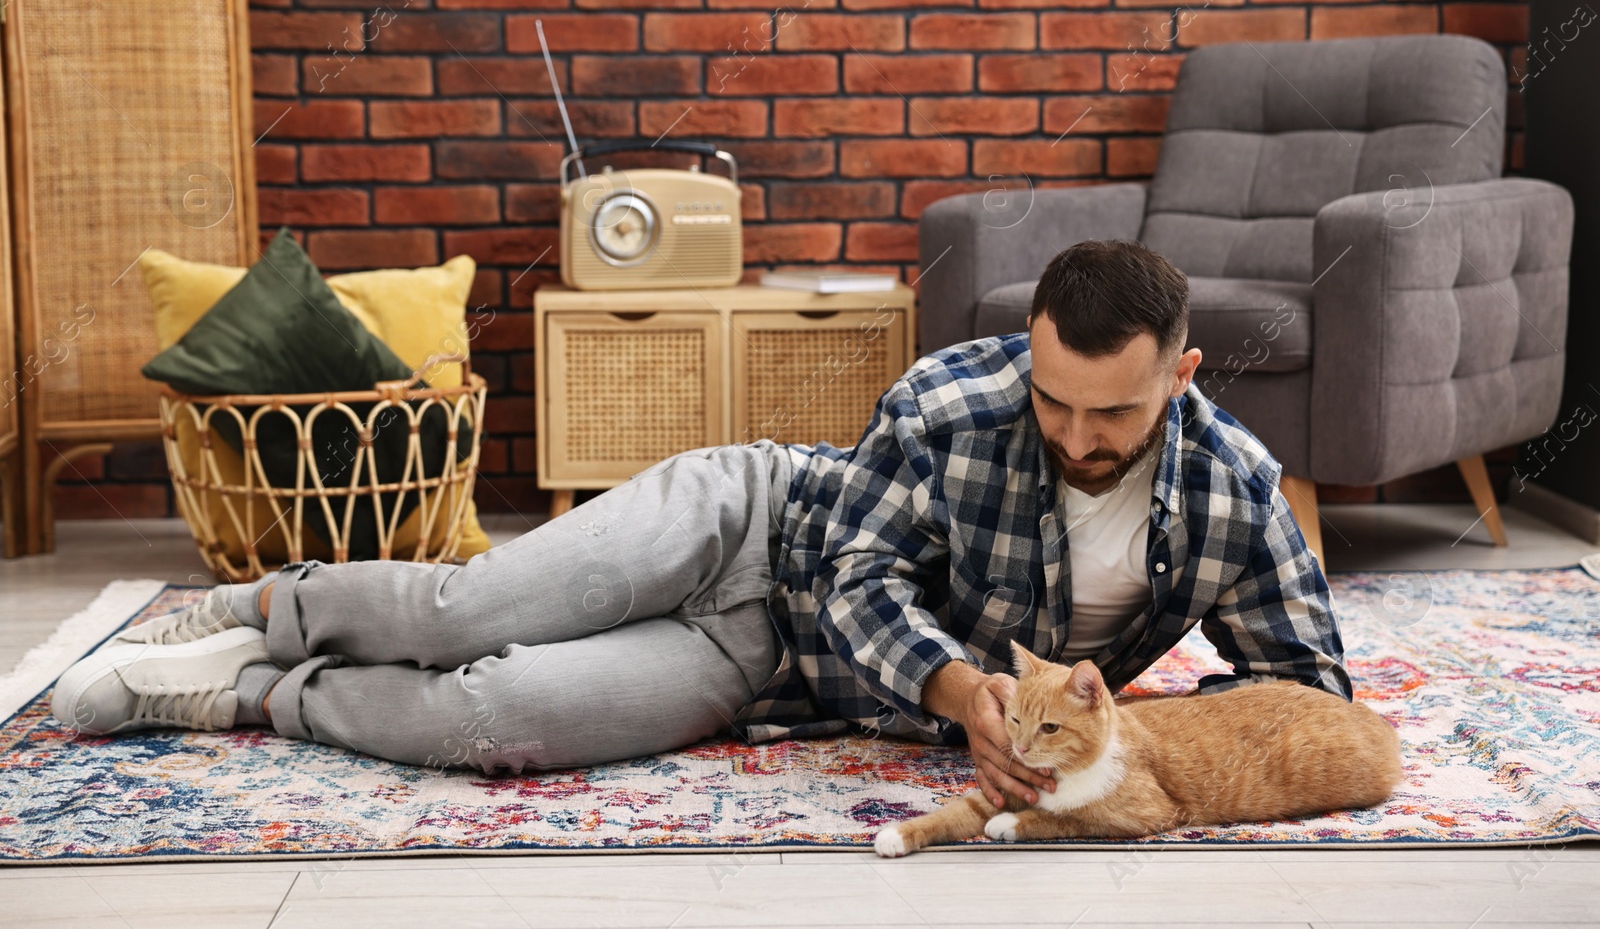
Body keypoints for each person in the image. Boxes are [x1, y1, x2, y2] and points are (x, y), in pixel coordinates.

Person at [53, 239, 1348, 812]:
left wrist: (1132, 747)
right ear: (1029, 356)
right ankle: (255, 607)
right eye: (1051, 398)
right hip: (746, 526)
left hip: (765, 677)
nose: (1072, 435)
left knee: (494, 721)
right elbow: (855, 574)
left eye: (1108, 413)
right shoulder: (957, 399)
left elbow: (1311, 693)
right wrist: (967, 697)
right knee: (471, 611)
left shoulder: (1236, 491)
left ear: (1179, 378)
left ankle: (256, 695)